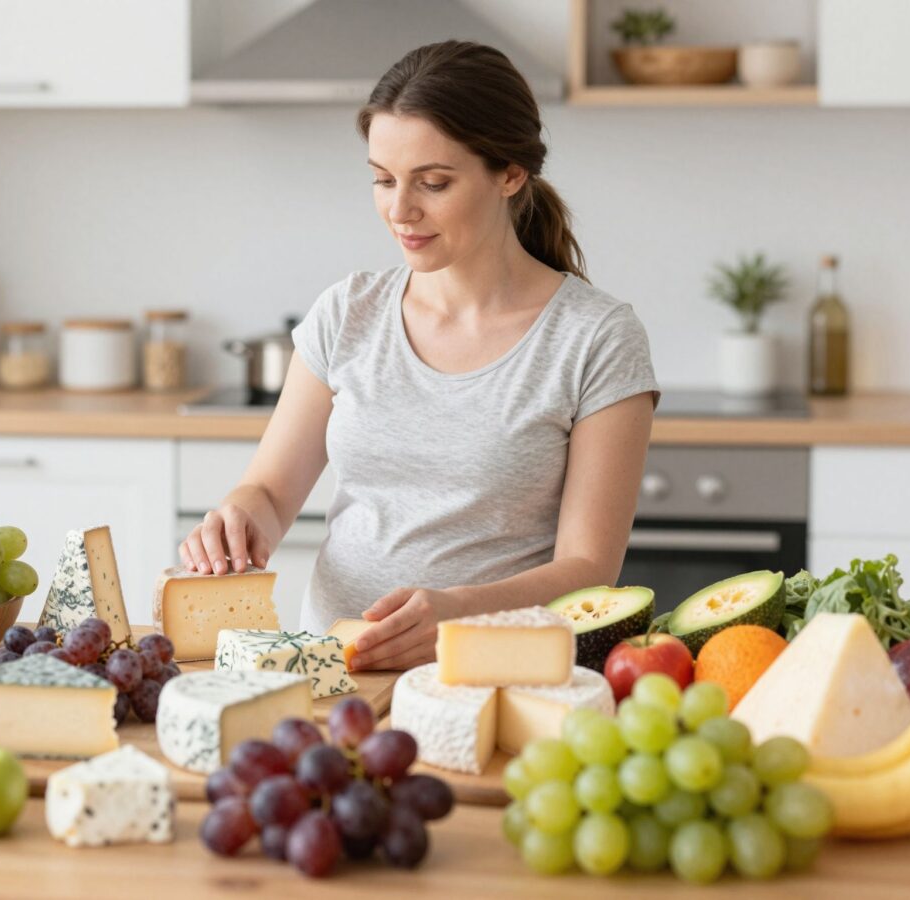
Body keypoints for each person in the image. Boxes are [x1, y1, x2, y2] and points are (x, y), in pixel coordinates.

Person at [179, 40, 659, 672]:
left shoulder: (596, 338)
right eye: (383, 180)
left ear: (510, 172)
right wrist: (240, 517)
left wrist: (457, 613)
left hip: (494, 674)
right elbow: (270, 491)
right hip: (333, 672)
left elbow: (589, 570)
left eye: (433, 183)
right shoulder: (347, 312)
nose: (400, 211)